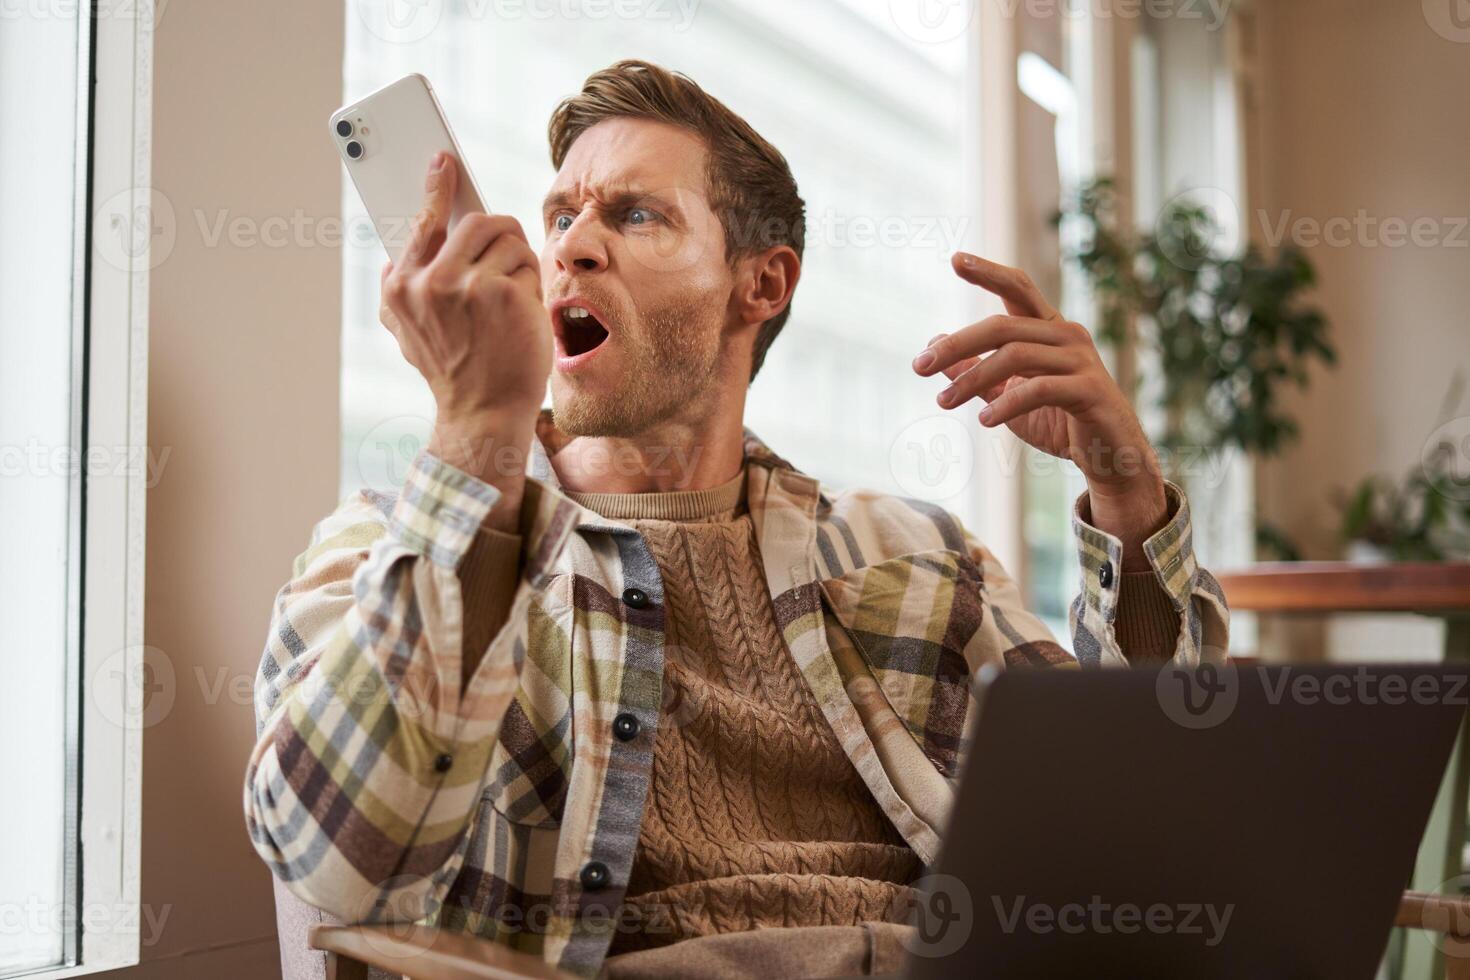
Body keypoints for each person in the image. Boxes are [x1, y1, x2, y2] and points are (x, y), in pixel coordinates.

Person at [246, 59, 1228, 979]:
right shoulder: (398, 549)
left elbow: (1146, 835)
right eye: (560, 216)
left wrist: (1128, 489)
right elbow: (334, 864)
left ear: (762, 284)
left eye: (633, 215)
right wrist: (475, 430)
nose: (571, 247)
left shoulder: (916, 557)